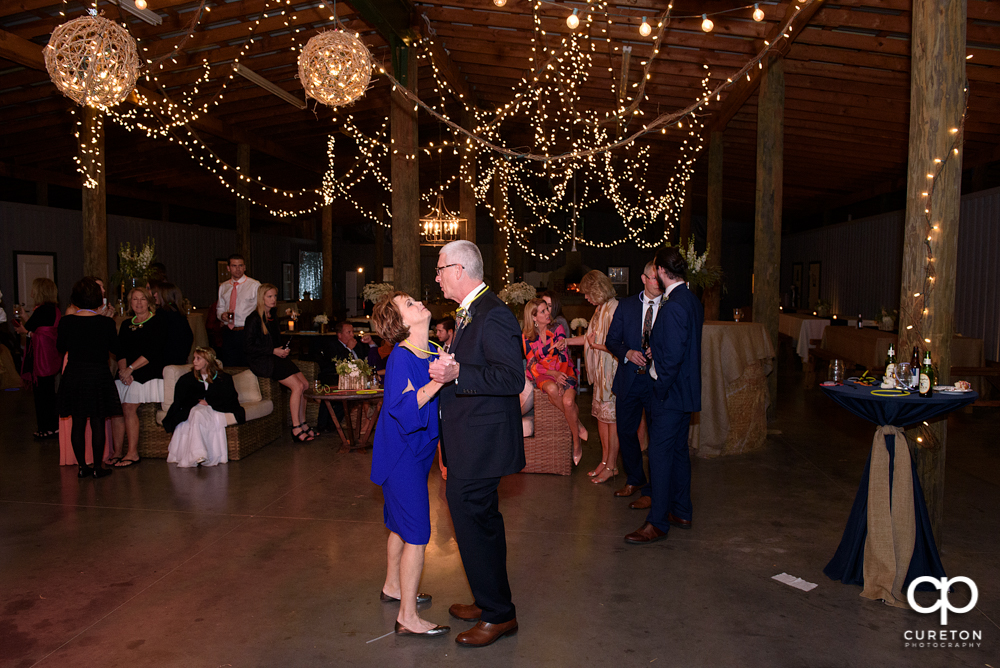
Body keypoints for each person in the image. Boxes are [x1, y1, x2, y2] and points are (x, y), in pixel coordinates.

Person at [429, 240, 524, 648]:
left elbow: (511, 379)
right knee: (479, 524)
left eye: (439, 268)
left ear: (459, 270)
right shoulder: (471, 311)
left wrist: (457, 374)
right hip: (471, 439)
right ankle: (489, 601)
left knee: (475, 524)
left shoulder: (494, 314)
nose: (435, 276)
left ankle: (499, 615)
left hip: (483, 443)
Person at [369, 291, 450, 637]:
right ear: (401, 322)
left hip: (418, 453)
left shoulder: (430, 348)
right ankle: (407, 617)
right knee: (417, 533)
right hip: (401, 455)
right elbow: (402, 408)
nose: (419, 304)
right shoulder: (401, 357)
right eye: (410, 305)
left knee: (401, 526)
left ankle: (393, 586)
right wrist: (438, 381)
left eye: (415, 300)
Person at [625, 247, 703, 544]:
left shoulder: (673, 305)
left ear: (659, 271)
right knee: (678, 453)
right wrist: (655, 349)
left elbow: (671, 361)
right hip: (685, 393)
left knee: (658, 456)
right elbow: (681, 346)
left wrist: (658, 388)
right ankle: (681, 509)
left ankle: (656, 522)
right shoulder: (691, 300)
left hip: (669, 394)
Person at [606, 261, 663, 508]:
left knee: (657, 437)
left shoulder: (670, 306)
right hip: (629, 379)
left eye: (660, 279)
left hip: (655, 382)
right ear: (643, 278)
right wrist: (628, 352)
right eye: (653, 278)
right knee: (626, 432)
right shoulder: (626, 306)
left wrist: (658, 351)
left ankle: (653, 489)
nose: (658, 283)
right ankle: (635, 478)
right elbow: (611, 341)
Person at [57, 278, 122, 478]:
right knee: (97, 421)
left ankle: (82, 467)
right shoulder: (105, 323)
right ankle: (97, 468)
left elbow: (60, 348)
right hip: (98, 374)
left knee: (77, 421)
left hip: (74, 373)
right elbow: (116, 349)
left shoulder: (66, 321)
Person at [565, 270, 620, 484]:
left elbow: (618, 343)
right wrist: (567, 342)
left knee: (612, 421)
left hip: (611, 372)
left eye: (588, 293)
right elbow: (589, 338)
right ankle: (605, 461)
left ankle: (612, 465)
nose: (586, 298)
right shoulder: (599, 309)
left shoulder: (614, 308)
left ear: (597, 290)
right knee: (601, 418)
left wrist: (597, 345)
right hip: (599, 372)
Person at [244, 283, 314, 442]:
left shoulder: (272, 316)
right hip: (262, 360)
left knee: (305, 384)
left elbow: (275, 341)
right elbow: (248, 347)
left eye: (275, 296)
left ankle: (303, 423)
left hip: (275, 356)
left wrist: (283, 349)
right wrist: (273, 351)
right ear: (261, 298)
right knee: (296, 386)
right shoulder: (253, 319)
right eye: (269, 296)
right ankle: (295, 428)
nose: (273, 299)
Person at [522, 297, 586, 465]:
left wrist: (560, 377)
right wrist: (553, 375)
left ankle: (577, 443)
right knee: (551, 390)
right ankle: (577, 426)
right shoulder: (526, 336)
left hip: (565, 371)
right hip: (543, 373)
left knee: (568, 401)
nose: (548, 313)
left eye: (547, 309)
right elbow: (531, 364)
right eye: (543, 311)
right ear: (534, 317)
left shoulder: (557, 328)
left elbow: (564, 356)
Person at [164, 347, 245, 468]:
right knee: (196, 413)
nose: (194, 361)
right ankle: (198, 454)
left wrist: (211, 402)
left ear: (207, 361)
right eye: (194, 358)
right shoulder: (187, 379)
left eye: (198, 358)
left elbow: (230, 399)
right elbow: (180, 400)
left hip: (216, 409)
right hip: (194, 408)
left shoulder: (224, 378)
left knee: (198, 414)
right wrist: (196, 400)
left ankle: (198, 453)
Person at [113, 286, 166, 467]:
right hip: (126, 372)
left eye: (142, 299)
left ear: (149, 302)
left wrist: (130, 369)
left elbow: (153, 351)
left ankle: (132, 453)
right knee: (116, 410)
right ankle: (117, 452)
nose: (138, 303)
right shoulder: (127, 324)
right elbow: (119, 350)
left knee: (128, 407)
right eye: (134, 299)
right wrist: (123, 370)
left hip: (148, 370)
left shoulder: (157, 322)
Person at [14, 277, 62, 440]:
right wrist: (25, 318)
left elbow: (32, 331)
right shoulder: (53, 309)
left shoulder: (42, 310)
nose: (32, 292)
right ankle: (53, 427)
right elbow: (37, 328)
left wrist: (23, 331)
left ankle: (46, 428)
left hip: (42, 358)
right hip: (50, 356)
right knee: (48, 392)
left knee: (42, 394)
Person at [216, 254, 260, 367]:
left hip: (246, 331)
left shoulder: (254, 285)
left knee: (247, 364)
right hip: (229, 332)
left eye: (240, 265)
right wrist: (222, 315)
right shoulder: (224, 286)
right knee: (229, 365)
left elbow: (260, 308)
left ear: (245, 267)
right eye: (234, 266)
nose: (238, 269)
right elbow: (220, 307)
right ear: (228, 268)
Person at [155, 282, 194, 365]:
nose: (154, 295)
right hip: (179, 358)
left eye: (157, 293)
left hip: (167, 360)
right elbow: (189, 336)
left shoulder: (162, 313)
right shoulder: (178, 311)